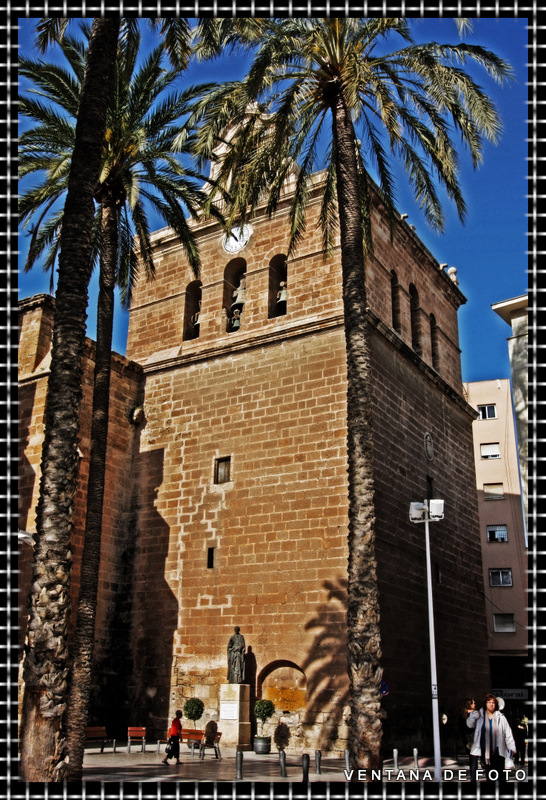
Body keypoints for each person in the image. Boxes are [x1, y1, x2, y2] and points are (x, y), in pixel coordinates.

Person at [467, 693, 516, 784]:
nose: (491, 704)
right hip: (485, 752)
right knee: (490, 776)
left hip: (498, 751)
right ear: (485, 704)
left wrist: (511, 747)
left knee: (501, 776)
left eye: (493, 702)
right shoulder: (479, 716)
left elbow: (508, 733)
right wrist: (474, 715)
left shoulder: (501, 718)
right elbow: (469, 724)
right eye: (489, 702)